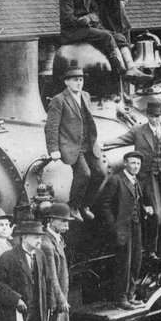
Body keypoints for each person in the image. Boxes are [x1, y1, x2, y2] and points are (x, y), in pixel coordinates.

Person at [106, 96, 161, 257]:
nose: (155, 119)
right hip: (149, 175)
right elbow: (121, 140)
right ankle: (151, 249)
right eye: (152, 116)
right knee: (157, 214)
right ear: (147, 115)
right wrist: (103, 143)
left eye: (157, 116)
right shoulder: (138, 131)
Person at [57, 0, 150, 83]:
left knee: (119, 37)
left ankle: (132, 68)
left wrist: (89, 18)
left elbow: (95, 12)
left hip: (86, 27)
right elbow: (66, 18)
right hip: (72, 32)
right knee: (106, 36)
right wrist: (84, 20)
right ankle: (121, 71)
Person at [45, 65, 106, 220]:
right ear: (66, 82)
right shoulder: (59, 100)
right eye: (75, 80)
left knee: (100, 173)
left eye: (81, 80)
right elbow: (51, 126)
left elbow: (88, 121)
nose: (79, 83)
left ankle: (85, 205)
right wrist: (53, 149)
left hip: (88, 144)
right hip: (71, 145)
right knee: (84, 174)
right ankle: (73, 206)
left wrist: (96, 140)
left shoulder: (86, 95)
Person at [95, 151, 152, 308]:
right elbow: (104, 205)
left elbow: (134, 202)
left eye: (138, 164)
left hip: (136, 226)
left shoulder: (136, 181)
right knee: (124, 264)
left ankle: (130, 295)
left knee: (136, 261)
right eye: (133, 163)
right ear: (125, 163)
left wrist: (144, 208)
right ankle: (121, 299)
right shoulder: (116, 180)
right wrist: (114, 227)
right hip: (122, 229)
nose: (136, 166)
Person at [0, 219, 52, 321]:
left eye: (40, 237)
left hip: (37, 309)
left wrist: (50, 302)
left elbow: (47, 280)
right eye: (36, 237)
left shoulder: (40, 255)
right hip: (18, 312)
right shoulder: (9, 257)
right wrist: (16, 299)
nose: (39, 241)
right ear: (24, 237)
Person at [40, 203, 73, 321]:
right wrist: (61, 300)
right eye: (63, 221)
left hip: (61, 296)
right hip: (55, 299)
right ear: (51, 220)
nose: (67, 225)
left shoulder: (58, 239)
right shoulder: (47, 244)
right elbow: (51, 276)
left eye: (67, 222)